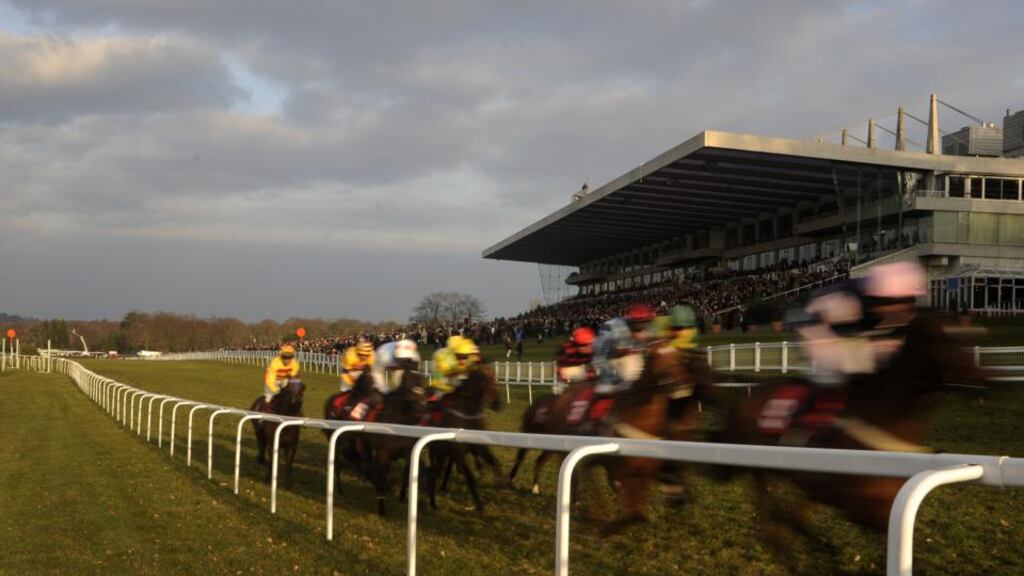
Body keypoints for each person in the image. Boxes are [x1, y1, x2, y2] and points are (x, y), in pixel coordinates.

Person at [554, 327, 596, 393]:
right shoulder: (566, 350)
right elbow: (561, 371)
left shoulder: (593, 351)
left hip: (584, 379)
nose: (589, 348)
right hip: (565, 380)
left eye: (591, 344)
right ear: (577, 344)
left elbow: (592, 371)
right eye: (585, 345)